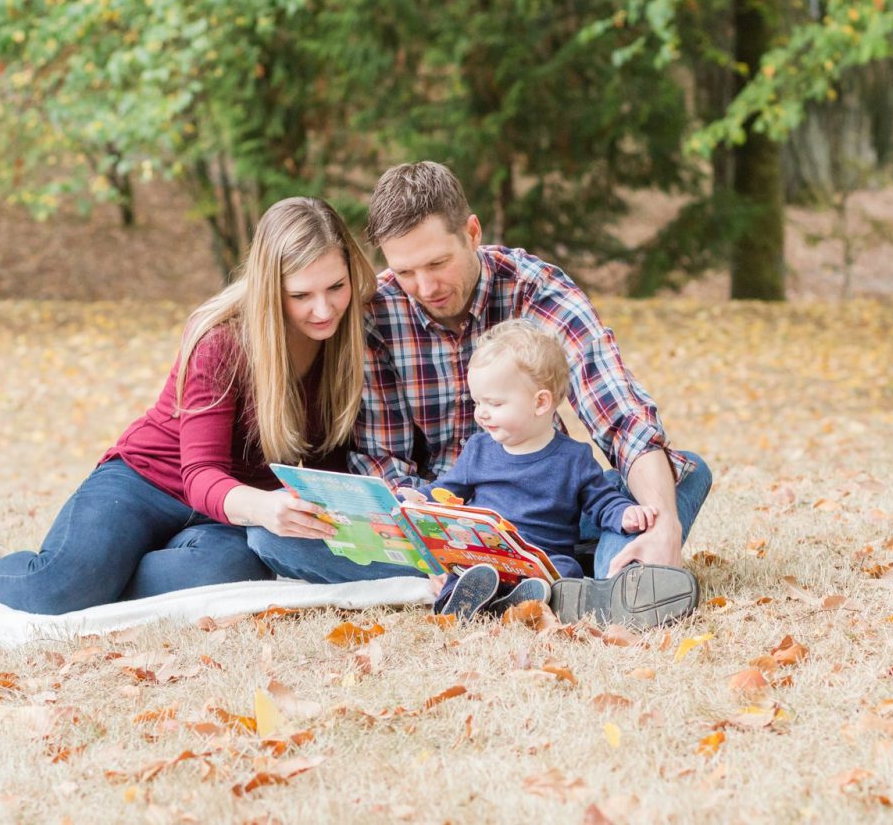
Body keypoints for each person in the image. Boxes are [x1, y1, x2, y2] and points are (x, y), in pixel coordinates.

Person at [0, 197, 373, 619]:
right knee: (62, 590)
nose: (323, 308)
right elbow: (198, 474)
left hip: (224, 519)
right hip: (144, 485)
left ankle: (71, 572)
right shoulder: (221, 341)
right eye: (300, 295)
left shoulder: (355, 338)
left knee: (234, 570)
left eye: (335, 287)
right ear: (266, 288)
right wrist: (264, 508)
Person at [248, 162, 712, 626]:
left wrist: (665, 519)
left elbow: (620, 417)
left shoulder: (535, 290)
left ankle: (611, 577)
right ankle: (582, 584)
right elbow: (383, 462)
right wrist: (440, 540)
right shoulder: (376, 314)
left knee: (681, 475)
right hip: (440, 522)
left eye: (437, 263)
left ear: (472, 233)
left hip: (547, 505)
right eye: (405, 270)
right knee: (271, 537)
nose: (425, 287)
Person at [430, 320, 667, 622]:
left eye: (494, 403)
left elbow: (601, 500)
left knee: (568, 572)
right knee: (464, 570)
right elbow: (445, 491)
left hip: (541, 558)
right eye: (477, 402)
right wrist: (418, 499)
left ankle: (522, 602)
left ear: (540, 402)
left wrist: (624, 514)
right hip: (486, 554)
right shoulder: (479, 449)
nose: (481, 413)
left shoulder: (573, 458)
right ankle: (460, 604)